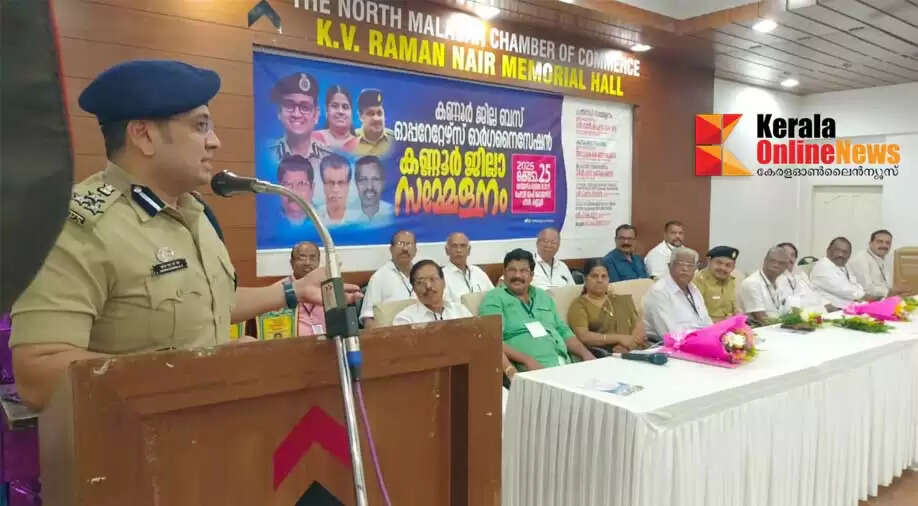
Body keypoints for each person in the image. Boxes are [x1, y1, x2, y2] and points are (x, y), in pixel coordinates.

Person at [9, 60, 359, 410]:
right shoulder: (77, 228)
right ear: (144, 135)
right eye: (200, 125)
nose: (215, 142)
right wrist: (198, 374)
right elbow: (37, 373)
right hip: (132, 440)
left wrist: (292, 290)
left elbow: (206, 304)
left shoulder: (195, 213)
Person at [479, 249, 595, 371]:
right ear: (504, 273)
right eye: (512, 270)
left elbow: (563, 330)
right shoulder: (494, 298)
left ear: (532, 275)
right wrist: (526, 360)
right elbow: (492, 340)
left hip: (564, 362)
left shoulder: (543, 296)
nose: (517, 275)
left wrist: (586, 354)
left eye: (523, 271)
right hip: (531, 369)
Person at [567, 259, 646, 353]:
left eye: (604, 276)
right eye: (594, 276)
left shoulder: (620, 300)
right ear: (585, 279)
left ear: (608, 279)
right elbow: (584, 336)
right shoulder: (579, 305)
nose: (600, 280)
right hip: (603, 353)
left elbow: (639, 327)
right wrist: (619, 338)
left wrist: (627, 346)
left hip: (634, 350)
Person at [642, 247, 713, 340]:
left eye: (690, 265)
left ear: (695, 268)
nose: (685, 269)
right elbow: (669, 334)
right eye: (680, 264)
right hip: (670, 344)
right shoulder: (659, 292)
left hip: (698, 340)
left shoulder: (694, 289)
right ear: (669, 266)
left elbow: (706, 322)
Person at [268, 72, 329, 164]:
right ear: (279, 112)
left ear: (316, 114)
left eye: (305, 107)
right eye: (289, 105)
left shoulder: (331, 159)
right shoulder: (265, 155)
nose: (296, 114)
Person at [360, 230, 417, 328]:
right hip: (393, 333)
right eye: (400, 244)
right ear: (391, 249)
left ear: (415, 250)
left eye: (409, 244)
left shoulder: (423, 275)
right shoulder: (379, 277)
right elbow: (368, 319)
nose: (405, 249)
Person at [393, 260, 473, 325]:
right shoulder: (406, 319)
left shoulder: (461, 311)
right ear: (414, 288)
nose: (428, 286)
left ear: (444, 282)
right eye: (421, 282)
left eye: (433, 279)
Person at [738, 247, 792, 325]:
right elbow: (762, 319)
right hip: (760, 329)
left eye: (781, 263)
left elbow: (788, 312)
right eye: (772, 261)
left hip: (780, 327)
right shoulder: (751, 283)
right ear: (765, 261)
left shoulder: (782, 281)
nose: (776, 265)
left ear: (786, 266)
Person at [810, 237, 865, 309]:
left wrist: (860, 294)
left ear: (849, 255)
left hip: (849, 308)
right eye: (837, 250)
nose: (841, 255)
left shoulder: (843, 266)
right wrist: (861, 295)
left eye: (845, 252)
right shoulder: (823, 267)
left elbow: (856, 284)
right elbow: (846, 291)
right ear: (828, 251)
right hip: (833, 311)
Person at [442, 232, 494, 304]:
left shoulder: (478, 272)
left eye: (462, 246)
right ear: (447, 250)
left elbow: (493, 296)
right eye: (454, 246)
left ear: (469, 250)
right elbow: (445, 306)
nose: (459, 250)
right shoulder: (441, 276)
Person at [775, 242, 828, 312]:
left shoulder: (801, 274)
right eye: (785, 254)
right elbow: (785, 302)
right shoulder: (775, 277)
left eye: (792, 255)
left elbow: (815, 292)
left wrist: (826, 303)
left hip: (816, 310)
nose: (789, 258)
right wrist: (810, 301)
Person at [287, 241, 326, 336]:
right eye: (302, 258)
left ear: (318, 262)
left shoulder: (327, 288)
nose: (307, 263)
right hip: (295, 343)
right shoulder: (282, 290)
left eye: (313, 258)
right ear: (292, 262)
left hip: (328, 342)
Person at [692, 246, 740, 323]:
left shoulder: (731, 281)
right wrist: (724, 322)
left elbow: (735, 309)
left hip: (730, 326)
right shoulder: (698, 281)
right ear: (709, 261)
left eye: (728, 265)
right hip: (707, 327)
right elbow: (695, 316)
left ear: (733, 267)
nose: (723, 268)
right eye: (719, 263)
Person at [848, 229, 898, 299]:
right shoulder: (860, 259)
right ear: (870, 243)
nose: (884, 245)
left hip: (883, 298)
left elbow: (888, 283)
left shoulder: (885, 258)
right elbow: (866, 289)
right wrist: (889, 292)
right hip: (864, 301)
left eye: (888, 243)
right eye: (880, 242)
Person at [346, 156, 393, 225]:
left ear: (383, 183)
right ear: (356, 183)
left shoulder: (393, 213)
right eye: (363, 180)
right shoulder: (346, 218)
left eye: (375, 179)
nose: (369, 187)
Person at [311, 85, 358, 152]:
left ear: (351, 112)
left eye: (345, 107)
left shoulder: (360, 145)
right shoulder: (313, 139)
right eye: (335, 106)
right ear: (326, 110)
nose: (340, 111)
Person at [354, 88, 395, 157]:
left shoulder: (394, 140)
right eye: (371, 114)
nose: (376, 118)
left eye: (379, 113)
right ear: (360, 116)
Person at [277, 154, 316, 225]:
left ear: (312, 189)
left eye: (301, 184)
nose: (294, 191)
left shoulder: (325, 220)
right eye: (288, 184)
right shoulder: (269, 220)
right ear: (278, 188)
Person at [317, 154, 351, 226]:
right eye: (330, 183)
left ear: (348, 186)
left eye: (341, 183)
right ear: (323, 185)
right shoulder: (313, 219)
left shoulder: (361, 219)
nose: (335, 190)